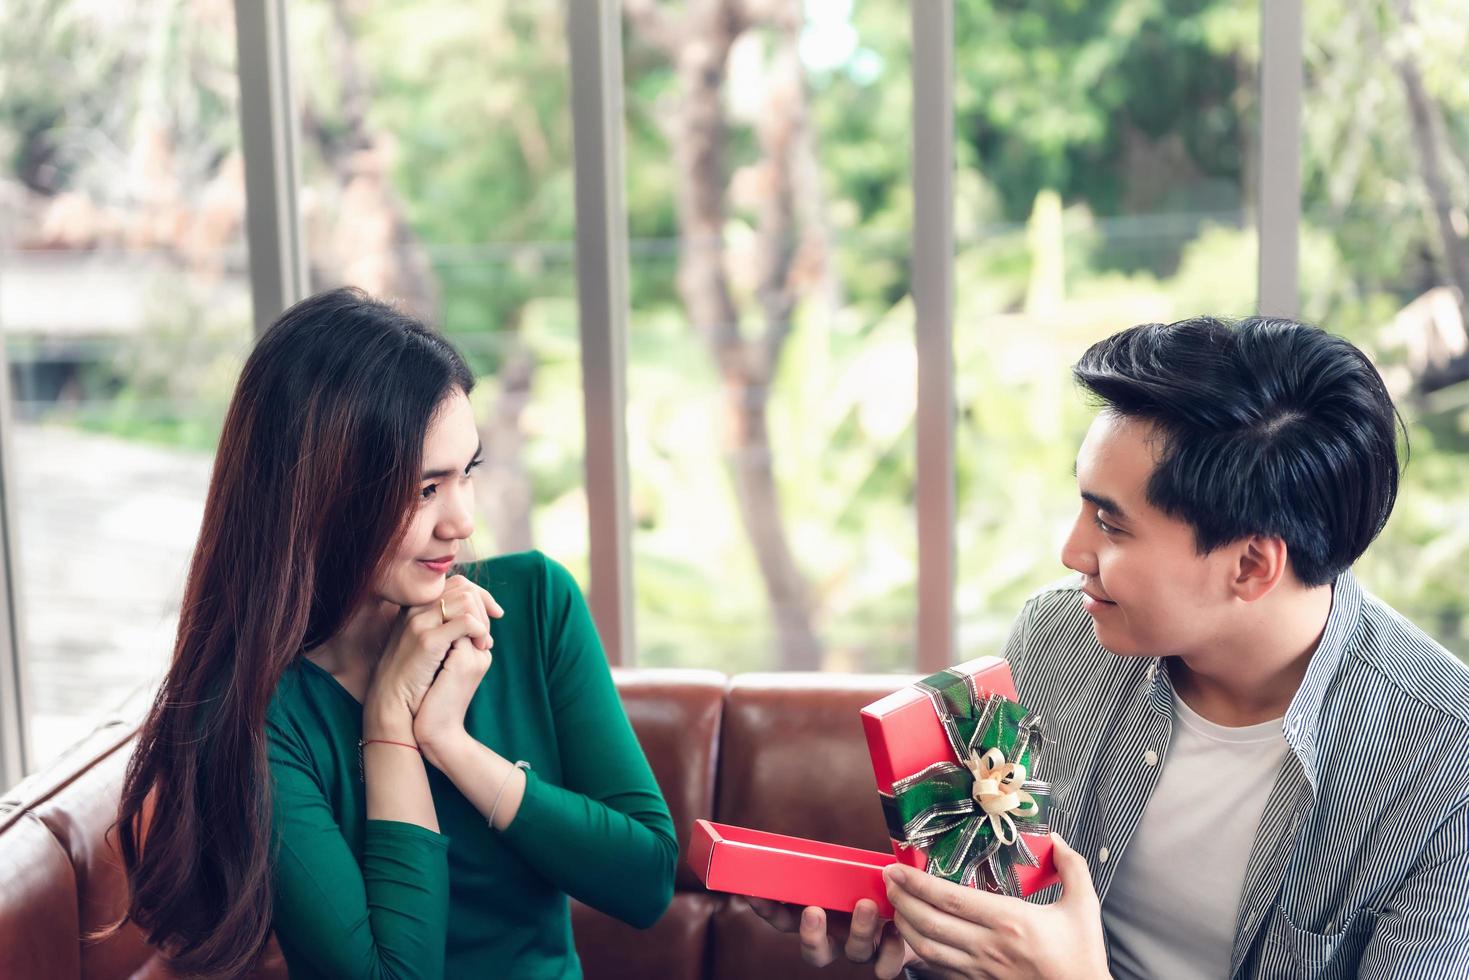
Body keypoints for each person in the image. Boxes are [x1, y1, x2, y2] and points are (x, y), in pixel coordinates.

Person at [752, 316, 1469, 979]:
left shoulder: (1445, 768)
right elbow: (1001, 897)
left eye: (1112, 527)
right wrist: (941, 939)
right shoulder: (1058, 637)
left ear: (1250, 566)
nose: (1071, 550)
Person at [106, 288, 676, 978]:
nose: (460, 521)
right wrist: (389, 731)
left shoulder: (532, 605)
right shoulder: (255, 716)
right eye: (422, 489)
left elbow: (645, 881)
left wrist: (449, 742)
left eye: (467, 472)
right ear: (317, 495)